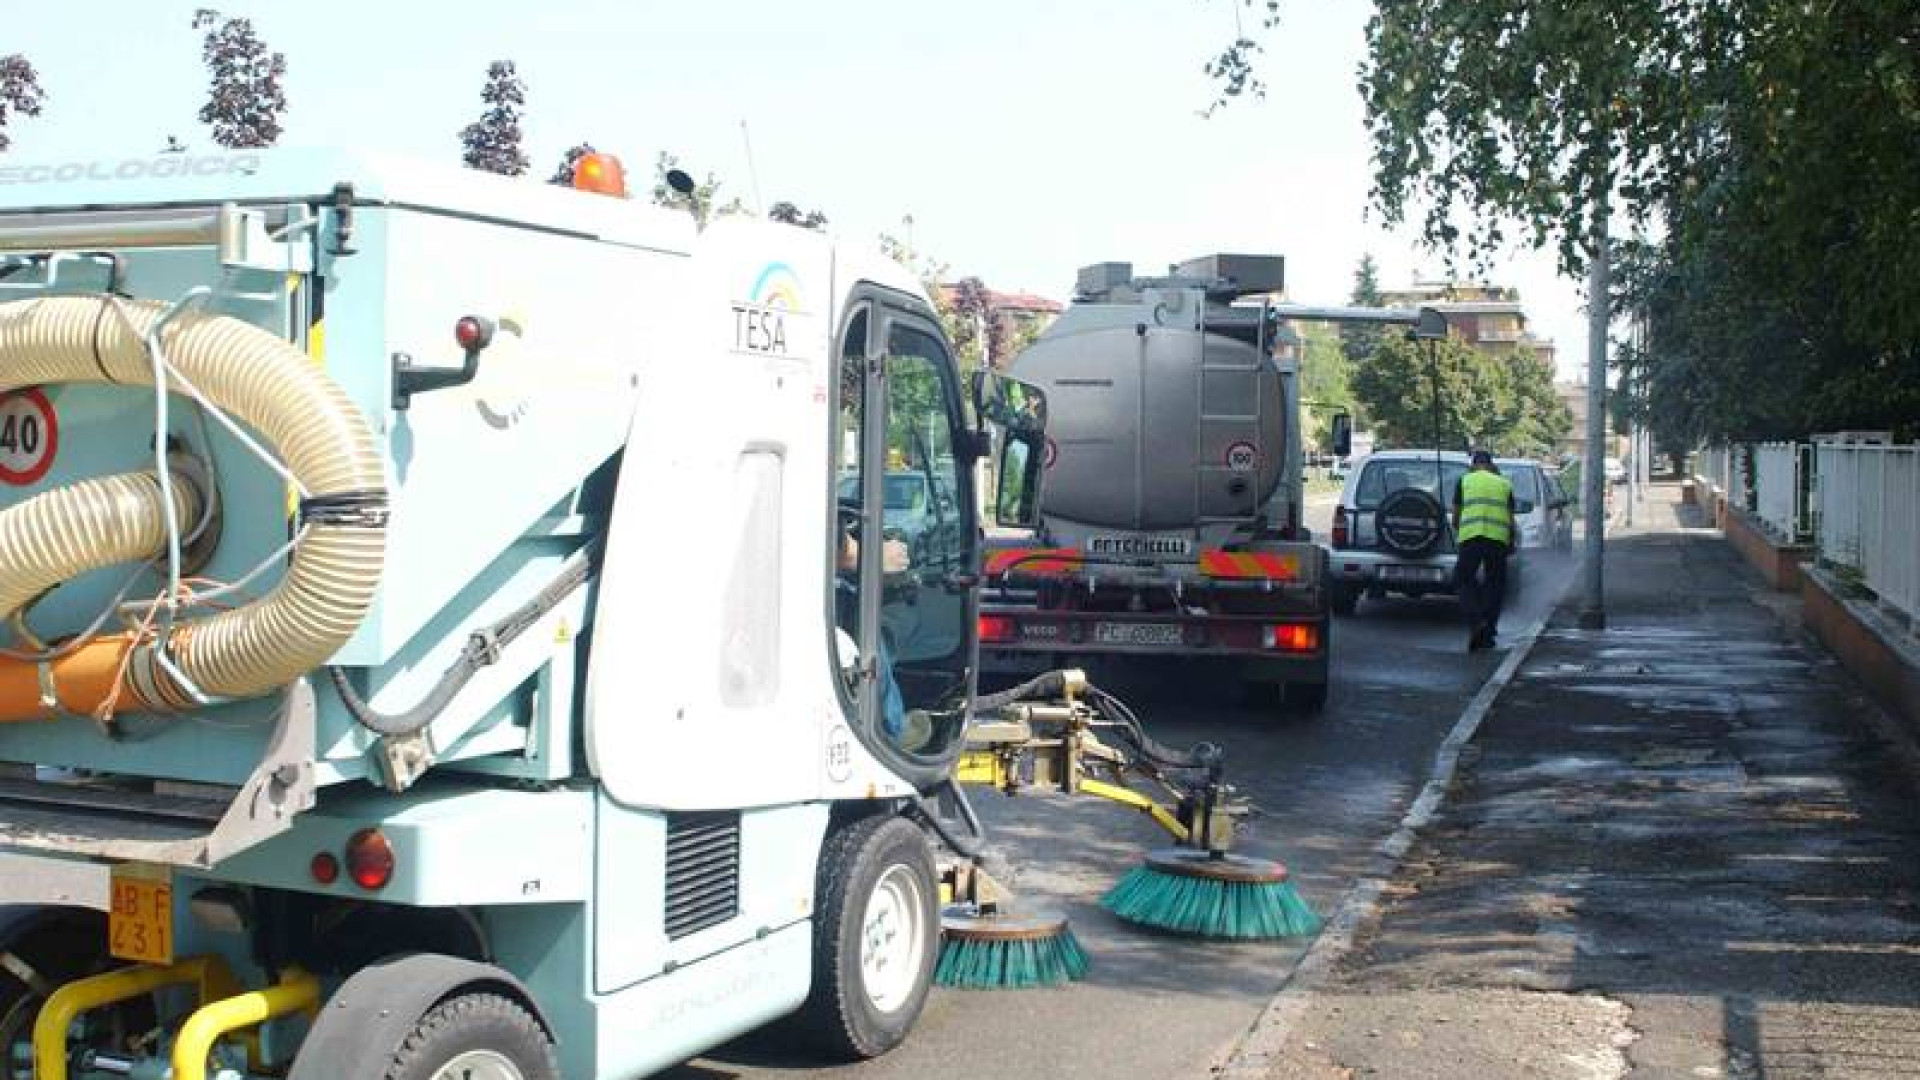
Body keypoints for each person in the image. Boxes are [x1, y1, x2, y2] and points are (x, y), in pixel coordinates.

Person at [1452, 449, 1516, 651]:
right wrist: (1510, 541)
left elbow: (1456, 515)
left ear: (1473, 465)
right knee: (1495, 584)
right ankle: (1488, 630)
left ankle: (1475, 621)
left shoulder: (1465, 481)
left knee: (1463, 579)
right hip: (1497, 539)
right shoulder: (1504, 484)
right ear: (1491, 465)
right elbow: (1510, 518)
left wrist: (1460, 530)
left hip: (1471, 537)